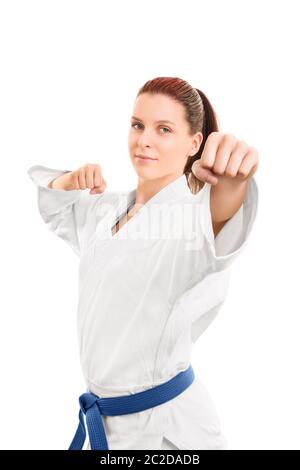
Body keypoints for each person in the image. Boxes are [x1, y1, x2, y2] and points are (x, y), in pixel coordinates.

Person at [27, 76, 259, 450]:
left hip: (164, 433)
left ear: (194, 143)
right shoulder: (107, 211)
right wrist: (70, 180)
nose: (143, 140)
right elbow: (55, 210)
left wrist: (236, 177)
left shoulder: (188, 220)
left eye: (164, 129)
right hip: (109, 422)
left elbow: (219, 218)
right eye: (138, 125)